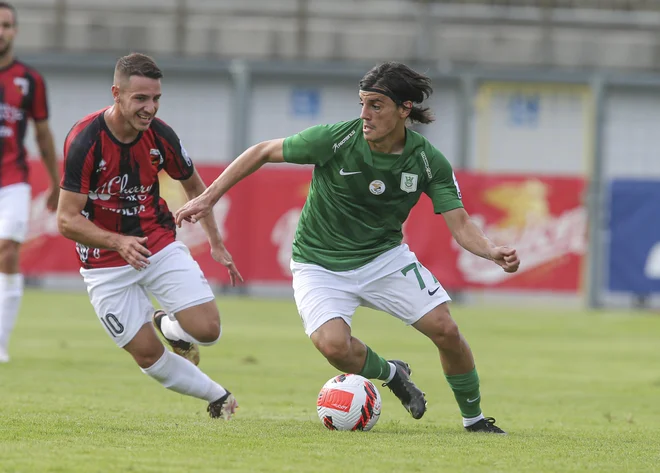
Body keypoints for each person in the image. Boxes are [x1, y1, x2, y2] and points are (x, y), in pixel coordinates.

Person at [175, 62, 520, 433]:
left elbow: (462, 225)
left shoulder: (427, 161)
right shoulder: (336, 139)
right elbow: (261, 151)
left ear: (404, 109)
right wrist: (208, 197)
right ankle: (393, 374)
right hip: (318, 263)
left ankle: (474, 419)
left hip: (383, 259)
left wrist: (490, 251)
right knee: (334, 348)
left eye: (376, 105)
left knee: (446, 330)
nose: (365, 115)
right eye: (362, 103)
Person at [57, 52, 243, 419]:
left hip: (156, 242)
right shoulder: (85, 140)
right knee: (145, 354)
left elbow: (195, 187)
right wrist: (117, 242)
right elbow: (65, 220)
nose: (150, 108)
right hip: (104, 262)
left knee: (207, 330)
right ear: (117, 93)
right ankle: (218, 397)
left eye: (156, 99)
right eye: (141, 98)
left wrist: (217, 243)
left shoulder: (161, 136)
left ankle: (171, 327)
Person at [0, 2, 60, 363]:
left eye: (6, 25)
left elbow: (43, 135)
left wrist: (55, 183)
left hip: (12, 179)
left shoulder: (30, 80)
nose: (1, 31)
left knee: (7, 251)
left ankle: (0, 342)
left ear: (15, 31)